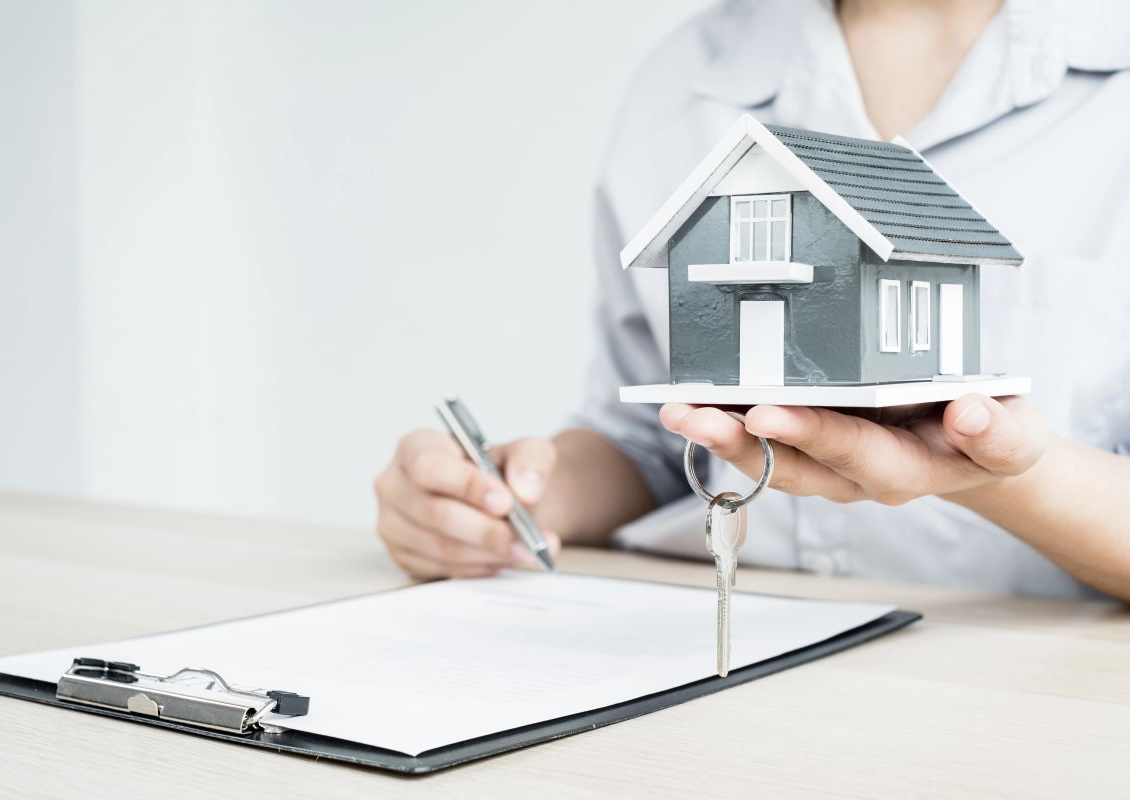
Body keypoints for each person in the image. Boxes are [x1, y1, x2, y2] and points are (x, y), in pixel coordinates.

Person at [373, 0, 1130, 601]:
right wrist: (514, 499)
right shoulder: (681, 80)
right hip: (709, 656)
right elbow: (655, 438)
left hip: (1024, 689)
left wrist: (1006, 476)